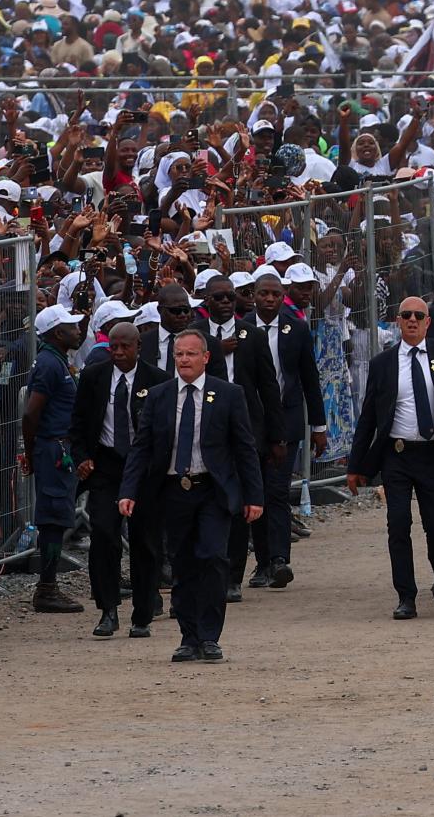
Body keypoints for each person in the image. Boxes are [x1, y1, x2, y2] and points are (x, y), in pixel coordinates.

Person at [118, 330, 263, 664]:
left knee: (212, 556)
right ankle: (189, 636)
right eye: (179, 354)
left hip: (212, 489)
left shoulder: (228, 394)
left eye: (191, 354)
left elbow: (244, 448)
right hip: (173, 491)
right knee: (182, 562)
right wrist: (128, 490)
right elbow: (141, 448)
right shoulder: (159, 396)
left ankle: (210, 636)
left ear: (205, 358)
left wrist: (254, 496)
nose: (184, 360)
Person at [346, 298, 434, 619]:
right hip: (397, 455)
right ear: (398, 321)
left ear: (428, 322)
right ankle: (406, 596)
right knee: (398, 524)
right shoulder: (383, 363)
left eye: (418, 316)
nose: (412, 320)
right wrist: (356, 466)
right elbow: (368, 417)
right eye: (406, 315)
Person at [70, 321, 168, 639]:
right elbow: (79, 422)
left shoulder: (157, 380)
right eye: (114, 347)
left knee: (145, 541)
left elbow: (165, 430)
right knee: (103, 533)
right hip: (106, 466)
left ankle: (142, 613)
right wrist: (82, 456)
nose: (119, 352)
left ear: (139, 346)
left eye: (125, 346)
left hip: (144, 469)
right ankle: (108, 609)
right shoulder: (94, 376)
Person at [236, 273, 326, 589]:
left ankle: (278, 560)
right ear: (254, 295)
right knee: (256, 490)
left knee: (276, 490)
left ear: (282, 295)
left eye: (276, 294)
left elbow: (310, 379)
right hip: (251, 422)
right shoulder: (241, 329)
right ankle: (262, 562)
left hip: (286, 420)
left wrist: (319, 426)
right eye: (264, 293)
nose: (270, 299)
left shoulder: (296, 328)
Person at [23, 305, 86, 613]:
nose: (78, 330)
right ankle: (46, 588)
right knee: (52, 517)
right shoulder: (50, 364)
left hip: (58, 447)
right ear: (58, 333)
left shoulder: (57, 360)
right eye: (72, 327)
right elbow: (31, 412)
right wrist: (32, 453)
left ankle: (49, 586)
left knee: (58, 515)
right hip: (53, 448)